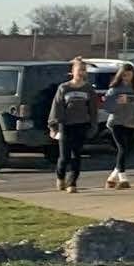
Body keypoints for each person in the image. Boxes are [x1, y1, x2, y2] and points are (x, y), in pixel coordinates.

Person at [47, 59, 101, 193]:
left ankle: (72, 183)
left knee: (76, 155)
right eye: (79, 70)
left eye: (84, 70)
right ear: (72, 72)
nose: (81, 73)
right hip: (66, 126)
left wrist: (93, 125)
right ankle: (60, 177)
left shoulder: (88, 89)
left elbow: (93, 109)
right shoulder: (64, 88)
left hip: (81, 125)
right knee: (64, 156)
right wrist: (53, 126)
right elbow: (57, 107)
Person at [101, 61, 134, 189]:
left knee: (127, 149)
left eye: (129, 75)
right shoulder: (114, 89)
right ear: (120, 76)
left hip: (131, 122)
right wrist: (114, 101)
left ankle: (112, 177)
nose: (127, 78)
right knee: (122, 148)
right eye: (124, 75)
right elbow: (107, 107)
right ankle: (123, 178)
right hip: (117, 122)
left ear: (133, 75)